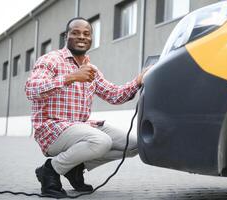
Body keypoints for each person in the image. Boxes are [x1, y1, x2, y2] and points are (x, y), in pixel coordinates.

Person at [25, 17, 148, 198]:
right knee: (101, 141)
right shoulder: (50, 60)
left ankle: (74, 168)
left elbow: (114, 95)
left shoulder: (91, 69)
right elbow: (31, 89)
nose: (81, 37)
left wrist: (138, 81)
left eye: (86, 33)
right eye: (75, 33)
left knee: (135, 145)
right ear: (66, 37)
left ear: (91, 38)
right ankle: (50, 170)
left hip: (81, 127)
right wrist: (70, 77)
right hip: (51, 129)